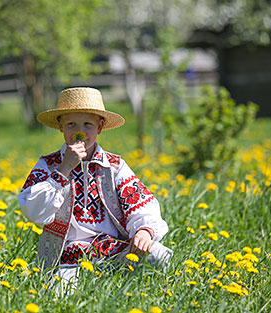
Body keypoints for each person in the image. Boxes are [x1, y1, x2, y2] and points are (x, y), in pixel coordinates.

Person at [18, 87, 172, 288]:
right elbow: (33, 211)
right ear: (60, 127)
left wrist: (144, 231)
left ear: (99, 128)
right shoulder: (48, 165)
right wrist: (64, 168)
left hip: (112, 249)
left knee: (158, 256)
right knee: (59, 293)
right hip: (67, 256)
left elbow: (142, 203)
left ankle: (125, 290)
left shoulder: (114, 166)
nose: (79, 132)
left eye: (87, 124)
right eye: (71, 124)